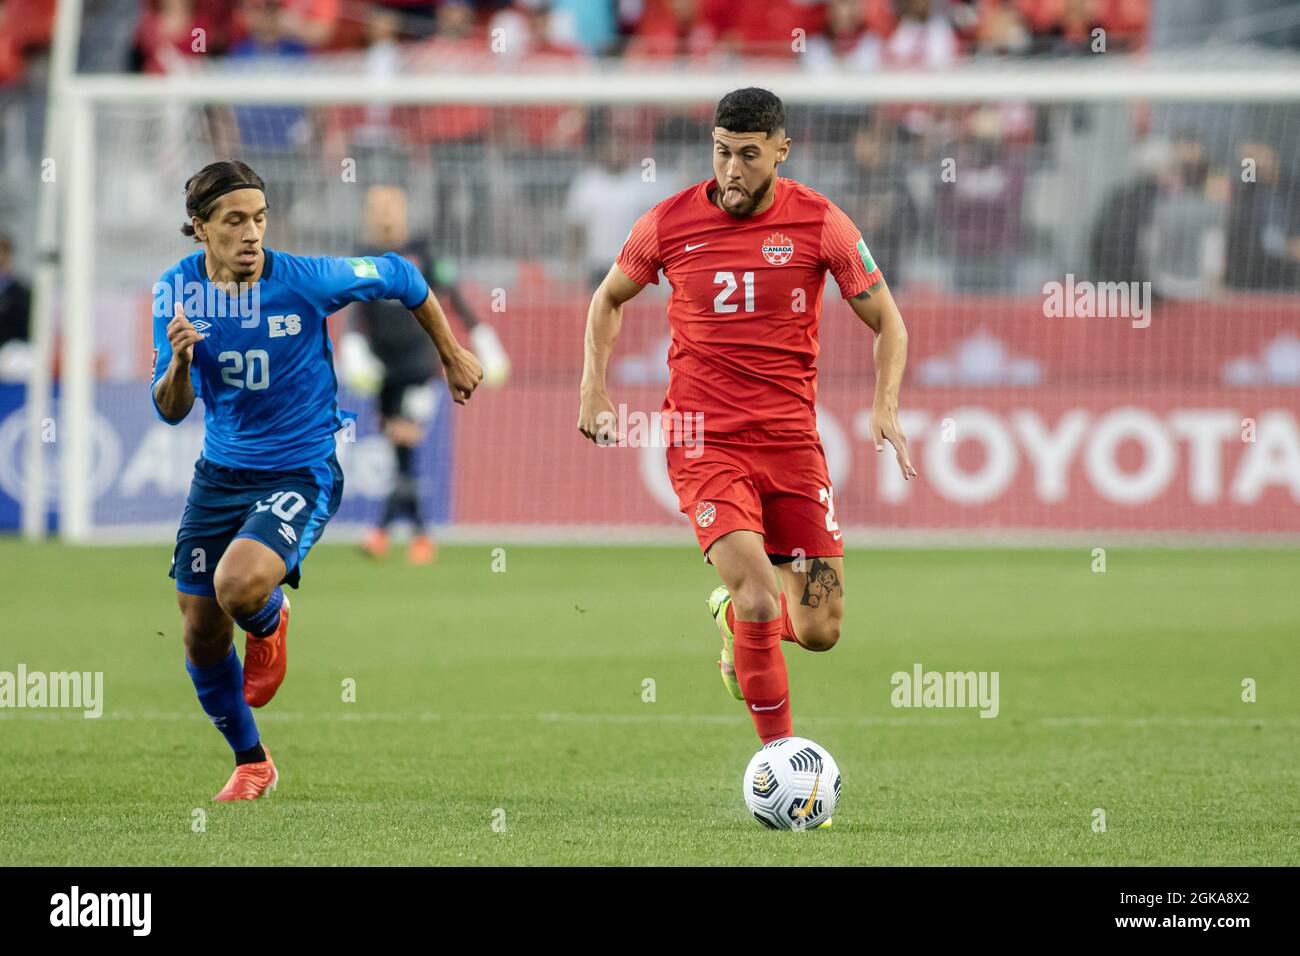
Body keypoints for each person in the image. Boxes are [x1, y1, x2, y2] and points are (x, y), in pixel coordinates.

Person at [576, 88, 916, 753]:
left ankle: (731, 618)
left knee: (820, 625)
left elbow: (888, 321)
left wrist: (886, 401)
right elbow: (607, 299)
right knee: (764, 597)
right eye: (723, 152)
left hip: (792, 446)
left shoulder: (821, 224)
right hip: (704, 444)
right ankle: (779, 760)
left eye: (750, 156)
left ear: (781, 152)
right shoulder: (668, 223)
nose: (733, 170)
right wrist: (594, 386)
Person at [151, 160, 483, 801]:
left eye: (260, 217)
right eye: (234, 221)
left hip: (299, 469)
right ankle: (253, 762)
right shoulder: (175, 292)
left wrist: (451, 353)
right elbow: (169, 408)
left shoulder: (304, 280)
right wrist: (181, 364)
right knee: (198, 628)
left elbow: (403, 274)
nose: (252, 233)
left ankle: (270, 616)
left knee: (237, 587)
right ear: (199, 228)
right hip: (219, 474)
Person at [343, 183, 509, 563]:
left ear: (402, 212)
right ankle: (416, 534)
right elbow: (356, 310)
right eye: (376, 207)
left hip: (420, 366)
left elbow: (454, 295)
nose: (383, 214)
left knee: (404, 439)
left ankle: (383, 533)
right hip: (384, 371)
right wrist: (353, 346)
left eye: (389, 207)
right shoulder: (363, 256)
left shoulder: (422, 250)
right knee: (400, 451)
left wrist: (483, 337)